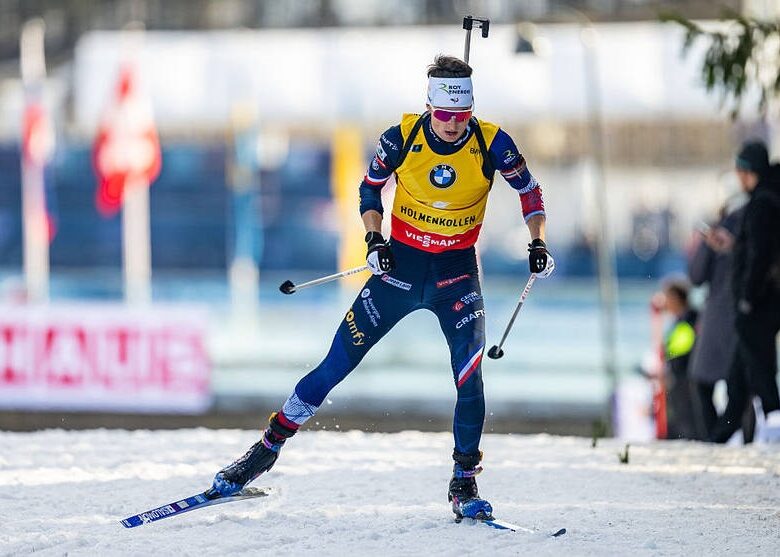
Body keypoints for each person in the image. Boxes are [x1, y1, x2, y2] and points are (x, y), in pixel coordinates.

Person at [210, 55, 555, 520]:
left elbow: (530, 192)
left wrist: (538, 242)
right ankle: (265, 449)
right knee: (335, 364)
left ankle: (464, 481)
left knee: (470, 378)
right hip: (400, 270)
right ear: (430, 107)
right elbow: (369, 189)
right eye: (444, 114)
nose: (453, 124)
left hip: (456, 276)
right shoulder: (401, 138)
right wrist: (374, 240)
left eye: (462, 115)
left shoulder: (492, 142)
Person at [711, 140, 780, 443]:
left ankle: (774, 426)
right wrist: (734, 245)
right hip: (762, 298)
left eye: (740, 170)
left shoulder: (763, 203)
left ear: (749, 171)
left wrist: (748, 298)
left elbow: (760, 255)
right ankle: (722, 433)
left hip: (760, 301)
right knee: (739, 373)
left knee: (761, 368)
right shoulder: (768, 198)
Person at [687, 203, 744, 440]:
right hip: (735, 315)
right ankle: (723, 436)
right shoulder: (747, 220)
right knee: (738, 386)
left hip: (730, 315)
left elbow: (696, 275)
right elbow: (697, 275)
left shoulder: (735, 224)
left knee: (732, 384)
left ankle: (718, 436)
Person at [656, 279, 698, 439]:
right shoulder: (684, 319)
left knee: (687, 422)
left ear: (675, 297)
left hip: (685, 378)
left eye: (667, 297)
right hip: (681, 377)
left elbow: (681, 351)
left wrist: (668, 361)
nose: (664, 302)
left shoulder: (688, 320)